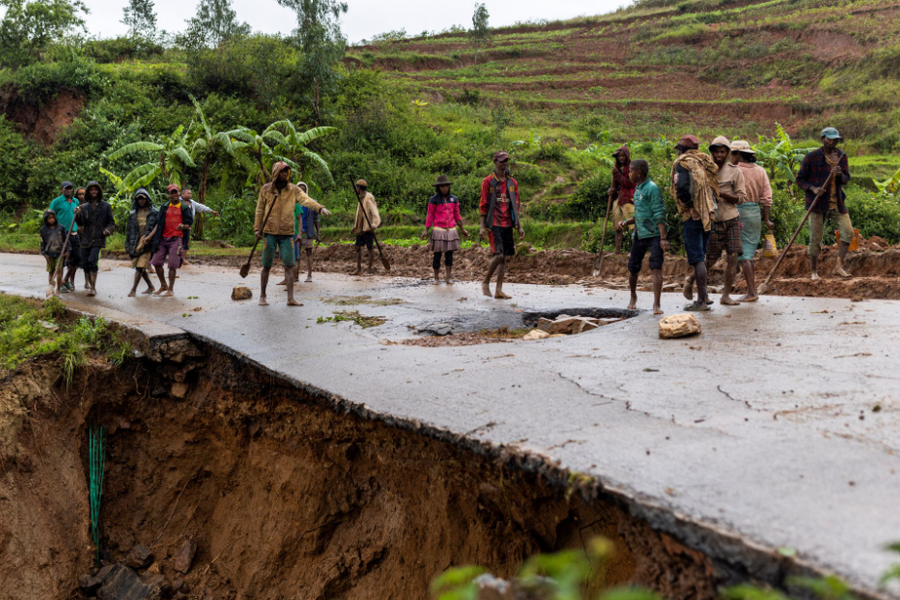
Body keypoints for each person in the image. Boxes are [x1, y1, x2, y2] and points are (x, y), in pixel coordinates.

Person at [255, 161, 331, 306]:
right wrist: (257, 229)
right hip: (269, 232)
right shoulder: (266, 190)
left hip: (287, 233)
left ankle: (290, 298)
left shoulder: (293, 190)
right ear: (276, 172)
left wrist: (319, 208)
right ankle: (263, 296)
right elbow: (259, 210)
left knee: (289, 265)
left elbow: (306, 200)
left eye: (286, 171)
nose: (285, 174)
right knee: (266, 265)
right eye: (282, 171)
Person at [693, 136, 747, 306]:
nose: (719, 155)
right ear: (711, 153)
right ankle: (690, 281)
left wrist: (722, 194)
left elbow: (741, 198)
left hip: (731, 219)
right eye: (716, 152)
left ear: (728, 153)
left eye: (722, 152)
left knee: (732, 257)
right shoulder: (705, 171)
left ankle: (726, 295)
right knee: (710, 260)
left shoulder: (735, 171)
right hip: (713, 221)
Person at [796, 127, 854, 281]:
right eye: (830, 139)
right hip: (817, 204)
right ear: (823, 139)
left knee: (848, 232)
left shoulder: (842, 156)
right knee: (815, 239)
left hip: (837, 202)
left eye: (835, 139)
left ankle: (838, 267)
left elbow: (846, 179)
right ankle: (813, 272)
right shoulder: (812, 157)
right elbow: (800, 179)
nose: (833, 141)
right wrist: (813, 188)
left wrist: (839, 174)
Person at [670, 135, 718, 312]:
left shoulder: (683, 163)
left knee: (697, 258)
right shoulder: (704, 161)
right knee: (702, 255)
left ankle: (701, 302)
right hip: (708, 212)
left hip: (694, 216)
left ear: (682, 149)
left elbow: (682, 188)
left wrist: (691, 208)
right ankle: (704, 295)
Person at [617, 160, 668, 315]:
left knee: (656, 267)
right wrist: (626, 222)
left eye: (631, 171)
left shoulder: (652, 188)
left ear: (639, 172)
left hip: (654, 235)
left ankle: (656, 304)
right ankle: (633, 296)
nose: (629, 174)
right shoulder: (638, 189)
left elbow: (659, 213)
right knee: (633, 268)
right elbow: (640, 214)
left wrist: (663, 238)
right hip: (639, 234)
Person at [730, 140, 773, 302]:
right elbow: (767, 197)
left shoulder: (734, 171)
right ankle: (750, 288)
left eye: (732, 154)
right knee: (746, 251)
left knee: (744, 255)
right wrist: (767, 219)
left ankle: (752, 291)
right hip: (755, 213)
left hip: (738, 213)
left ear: (739, 155)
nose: (730, 157)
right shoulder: (760, 171)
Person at [480, 151, 525, 300]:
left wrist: (519, 225)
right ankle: (485, 282)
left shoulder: (512, 183)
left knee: (504, 257)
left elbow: (516, 205)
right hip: (494, 223)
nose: (504, 163)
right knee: (498, 254)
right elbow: (483, 205)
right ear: (495, 162)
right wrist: (482, 227)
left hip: (507, 223)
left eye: (506, 160)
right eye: (501, 161)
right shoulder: (488, 182)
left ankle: (499, 290)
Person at [421, 175, 469, 284]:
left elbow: (457, 215)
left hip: (451, 230)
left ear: (448, 186)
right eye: (442, 186)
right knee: (437, 255)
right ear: (438, 188)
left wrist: (463, 229)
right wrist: (426, 230)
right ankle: (436, 278)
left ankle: (448, 278)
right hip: (439, 230)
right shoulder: (434, 200)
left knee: (449, 255)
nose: (444, 188)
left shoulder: (454, 199)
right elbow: (430, 215)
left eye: (446, 186)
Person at [150, 184, 193, 297]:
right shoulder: (164, 206)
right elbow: (158, 223)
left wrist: (182, 226)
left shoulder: (184, 207)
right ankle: (163, 285)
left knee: (172, 265)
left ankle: (171, 289)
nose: (174, 194)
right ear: (169, 195)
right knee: (156, 262)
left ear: (179, 193)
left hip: (177, 239)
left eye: (176, 192)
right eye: (171, 193)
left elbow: (189, 224)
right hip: (162, 239)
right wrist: (149, 237)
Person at [73, 181, 115, 297]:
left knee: (92, 260)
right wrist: (77, 214)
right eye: (91, 190)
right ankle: (89, 283)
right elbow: (81, 223)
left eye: (95, 190)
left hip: (98, 238)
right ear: (88, 192)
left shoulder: (105, 206)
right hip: (85, 239)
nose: (93, 192)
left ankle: (93, 287)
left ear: (99, 191)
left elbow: (111, 223)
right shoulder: (84, 207)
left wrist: (107, 230)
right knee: (85, 263)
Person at [124, 188, 160, 297]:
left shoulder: (155, 212)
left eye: (143, 199)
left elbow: (159, 227)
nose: (141, 201)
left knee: (140, 266)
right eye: (139, 199)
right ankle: (150, 286)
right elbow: (129, 230)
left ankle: (133, 290)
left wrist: (151, 238)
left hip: (148, 243)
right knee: (140, 266)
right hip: (135, 243)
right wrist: (127, 245)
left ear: (147, 199)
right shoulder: (133, 214)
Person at [48, 181, 80, 293]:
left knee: (77, 259)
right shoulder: (56, 202)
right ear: (62, 189)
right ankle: (59, 283)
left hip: (73, 234)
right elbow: (49, 216)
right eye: (66, 188)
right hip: (61, 234)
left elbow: (79, 217)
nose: (69, 190)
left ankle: (66, 280)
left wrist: (78, 212)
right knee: (60, 260)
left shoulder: (76, 201)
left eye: (70, 188)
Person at [180, 187, 220, 265]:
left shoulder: (192, 203)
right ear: (183, 194)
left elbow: (201, 207)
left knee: (186, 243)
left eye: (190, 193)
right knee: (177, 243)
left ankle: (182, 259)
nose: (190, 195)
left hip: (188, 227)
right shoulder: (177, 202)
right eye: (188, 193)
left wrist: (211, 211)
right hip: (178, 226)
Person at [290, 182, 319, 284]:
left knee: (309, 253)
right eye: (299, 189)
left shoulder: (311, 203)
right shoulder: (293, 203)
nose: (302, 191)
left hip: (307, 232)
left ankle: (309, 275)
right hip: (296, 232)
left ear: (306, 190)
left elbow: (316, 219)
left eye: (303, 189)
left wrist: (318, 233)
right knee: (296, 255)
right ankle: (296, 276)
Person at [608, 145, 636, 254]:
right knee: (617, 225)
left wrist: (616, 174)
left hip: (629, 199)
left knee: (633, 226)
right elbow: (615, 186)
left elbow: (630, 183)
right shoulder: (617, 168)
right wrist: (611, 191)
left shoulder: (631, 168)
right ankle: (617, 250)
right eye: (619, 156)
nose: (621, 158)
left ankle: (634, 250)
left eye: (623, 156)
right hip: (619, 199)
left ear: (627, 156)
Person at [351, 179, 381, 275]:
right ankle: (358, 269)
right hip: (361, 228)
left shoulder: (369, 197)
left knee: (370, 248)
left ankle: (369, 269)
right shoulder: (360, 198)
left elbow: (375, 212)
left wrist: (374, 225)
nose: (356, 189)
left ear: (359, 188)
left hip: (368, 228)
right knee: (357, 247)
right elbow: (359, 214)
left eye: (356, 187)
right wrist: (355, 226)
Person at [39, 210, 66, 294]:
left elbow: (65, 240)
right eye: (49, 218)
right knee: (51, 272)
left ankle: (58, 288)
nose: (51, 220)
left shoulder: (61, 228)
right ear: (46, 219)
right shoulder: (43, 229)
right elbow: (42, 243)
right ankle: (51, 288)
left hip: (60, 253)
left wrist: (68, 251)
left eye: (53, 217)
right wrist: (44, 254)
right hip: (49, 254)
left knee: (59, 271)